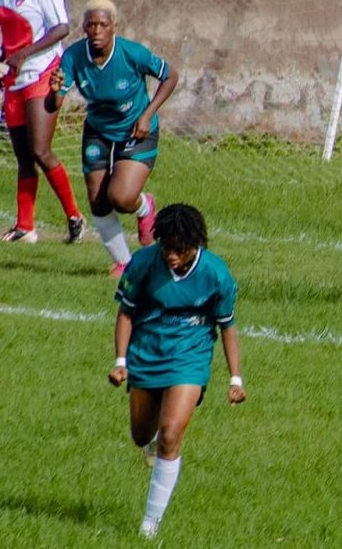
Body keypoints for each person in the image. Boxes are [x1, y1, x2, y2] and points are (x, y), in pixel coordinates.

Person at [107, 203, 245, 539]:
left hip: (190, 358)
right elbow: (126, 313)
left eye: (180, 250)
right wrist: (121, 361)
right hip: (146, 353)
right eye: (167, 248)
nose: (172, 256)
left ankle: (150, 523)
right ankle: (149, 441)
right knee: (142, 434)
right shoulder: (142, 264)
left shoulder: (216, 274)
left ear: (196, 245)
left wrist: (235, 378)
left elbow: (227, 326)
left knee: (170, 434)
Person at [46, 0, 176, 277]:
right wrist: (54, 90)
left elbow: (171, 76)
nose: (96, 31)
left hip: (136, 129)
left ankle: (144, 206)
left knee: (120, 197)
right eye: (90, 25)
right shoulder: (73, 57)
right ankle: (124, 262)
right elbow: (52, 106)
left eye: (103, 25)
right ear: (83, 27)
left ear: (114, 26)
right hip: (98, 131)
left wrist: (147, 114)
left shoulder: (131, 54)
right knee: (98, 200)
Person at [0, 0, 85, 244]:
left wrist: (25, 54)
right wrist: (2, 63)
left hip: (41, 74)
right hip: (15, 79)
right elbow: (10, 38)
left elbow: (62, 27)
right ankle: (25, 226)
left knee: (40, 150)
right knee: (22, 156)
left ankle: (75, 217)